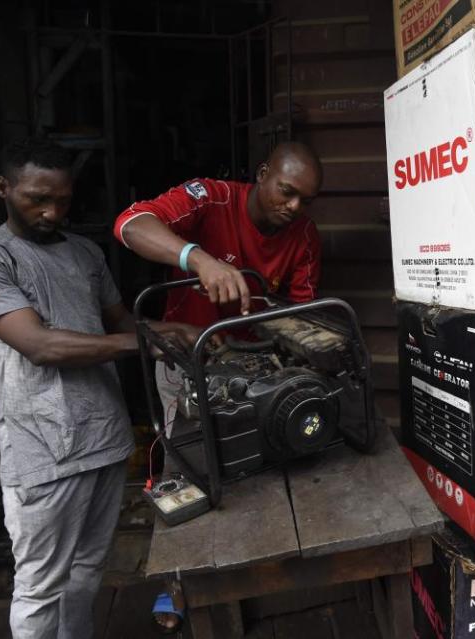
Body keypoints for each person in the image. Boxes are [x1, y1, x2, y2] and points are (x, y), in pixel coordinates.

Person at [0, 138, 195, 639]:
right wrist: (140, 344)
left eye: (62, 200)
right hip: (43, 449)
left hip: (103, 438)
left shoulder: (85, 253)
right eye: (37, 198)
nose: (51, 211)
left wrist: (167, 333)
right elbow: (39, 345)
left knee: (87, 570)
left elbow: (122, 323)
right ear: (3, 188)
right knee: (41, 586)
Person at [113, 141, 323, 632]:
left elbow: (302, 311)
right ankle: (181, 585)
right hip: (185, 365)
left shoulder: (304, 236)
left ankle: (250, 570)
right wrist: (199, 259)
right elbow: (129, 223)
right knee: (187, 474)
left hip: (253, 373)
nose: (293, 208)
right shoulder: (211, 198)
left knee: (253, 472)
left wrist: (273, 320)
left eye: (305, 201)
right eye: (286, 192)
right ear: (263, 172)